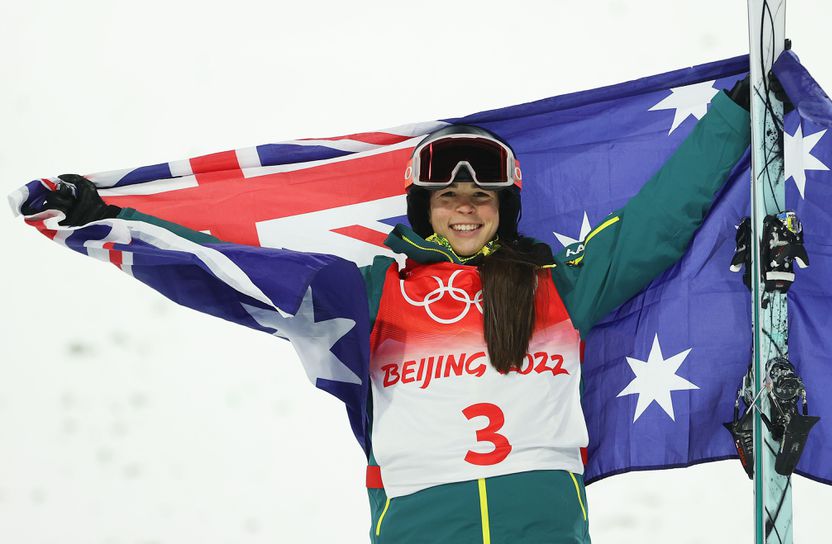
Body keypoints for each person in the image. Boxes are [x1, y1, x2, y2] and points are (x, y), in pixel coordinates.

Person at [31, 80, 752, 543]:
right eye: (449, 198)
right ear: (425, 209)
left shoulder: (556, 284)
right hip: (419, 516)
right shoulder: (370, 290)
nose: (466, 211)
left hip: (542, 515)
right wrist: (112, 216)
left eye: (481, 199)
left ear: (502, 210)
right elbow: (236, 266)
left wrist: (730, 120)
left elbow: (658, 222)